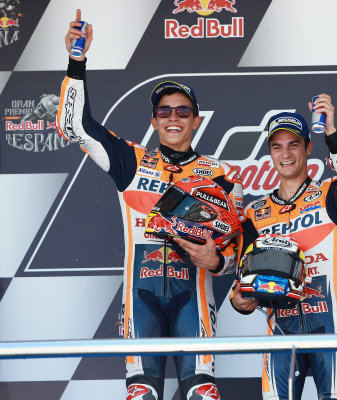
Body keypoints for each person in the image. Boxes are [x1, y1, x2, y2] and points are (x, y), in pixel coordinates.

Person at [57, 10, 246, 400]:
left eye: (182, 111)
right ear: (154, 119)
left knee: (202, 394)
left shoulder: (222, 173)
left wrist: (216, 261)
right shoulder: (130, 160)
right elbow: (74, 126)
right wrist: (77, 62)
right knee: (141, 395)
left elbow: (236, 249)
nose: (173, 117)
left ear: (196, 121)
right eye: (164, 111)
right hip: (139, 300)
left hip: (193, 299)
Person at [231, 95, 337, 400]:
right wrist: (239, 301)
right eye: (277, 146)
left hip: (331, 328)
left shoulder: (329, 194)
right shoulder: (254, 214)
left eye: (294, 144)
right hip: (281, 334)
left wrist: (333, 134)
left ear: (308, 147)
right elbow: (241, 289)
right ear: (269, 152)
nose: (286, 153)